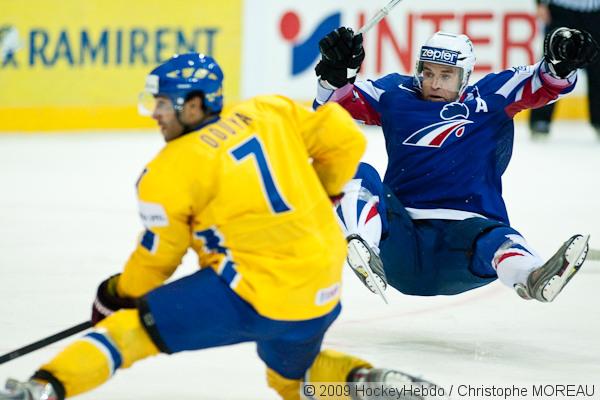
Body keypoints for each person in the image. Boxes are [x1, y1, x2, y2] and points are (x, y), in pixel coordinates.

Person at [0, 53, 443, 400]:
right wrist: (325, 193)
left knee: (128, 333)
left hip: (250, 290)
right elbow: (345, 139)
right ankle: (365, 381)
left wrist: (116, 295)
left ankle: (40, 390)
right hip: (321, 284)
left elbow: (156, 263)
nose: (155, 114)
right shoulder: (268, 110)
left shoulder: (167, 171)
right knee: (293, 380)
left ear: (193, 105)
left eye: (162, 104)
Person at [313, 28, 598, 303]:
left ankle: (532, 277)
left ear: (465, 76)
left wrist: (561, 64)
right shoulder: (395, 95)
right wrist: (334, 75)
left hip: (463, 246)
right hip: (400, 242)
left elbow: (543, 81)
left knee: (497, 239)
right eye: (428, 73)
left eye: (446, 75)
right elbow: (331, 109)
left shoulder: (490, 98)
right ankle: (362, 244)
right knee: (356, 172)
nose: (435, 83)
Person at [529, 0, 600, 138]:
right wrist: (539, 3)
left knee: (598, 68)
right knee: (554, 65)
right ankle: (540, 119)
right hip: (562, 10)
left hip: (596, 12)